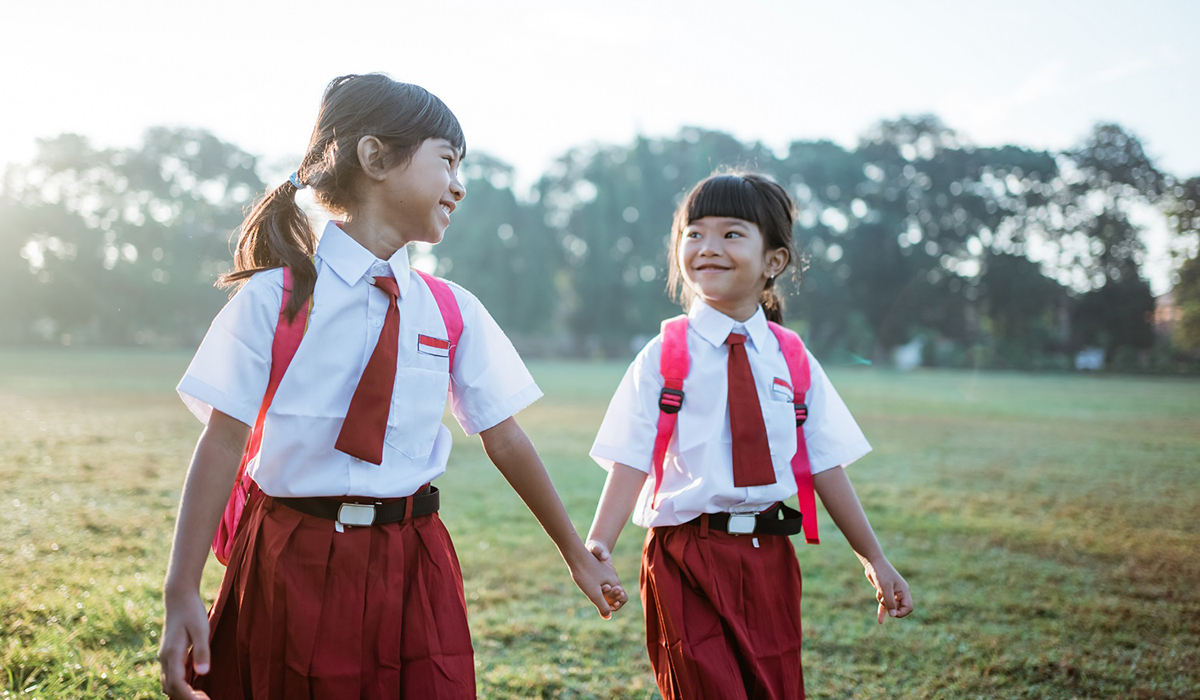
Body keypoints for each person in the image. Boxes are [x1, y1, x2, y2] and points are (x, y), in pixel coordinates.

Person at [158, 73, 624, 700]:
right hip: (291, 556)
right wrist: (180, 589)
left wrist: (575, 553)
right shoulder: (274, 299)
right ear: (376, 157)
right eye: (448, 160)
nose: (459, 184)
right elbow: (221, 442)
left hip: (415, 563)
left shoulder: (452, 310)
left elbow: (505, 437)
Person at [585, 171, 913, 699]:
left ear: (773, 261)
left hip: (770, 558)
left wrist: (873, 557)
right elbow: (631, 458)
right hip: (683, 556)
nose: (708, 247)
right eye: (694, 233)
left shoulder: (793, 359)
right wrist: (599, 543)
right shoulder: (664, 355)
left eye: (731, 234)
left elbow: (825, 463)